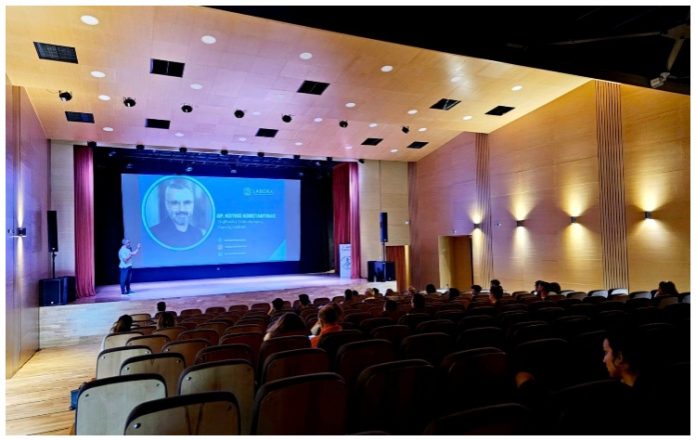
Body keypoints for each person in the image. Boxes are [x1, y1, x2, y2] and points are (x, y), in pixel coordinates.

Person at [150, 179, 205, 248]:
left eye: (187, 203)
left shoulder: (198, 234)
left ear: (193, 204)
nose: (181, 209)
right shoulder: (154, 234)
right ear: (167, 205)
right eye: (175, 203)